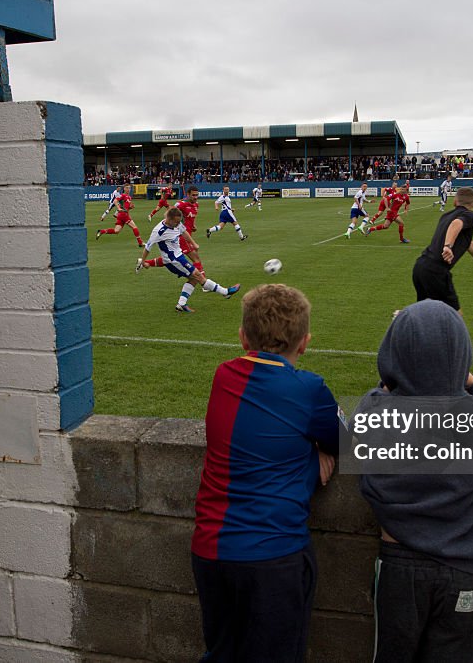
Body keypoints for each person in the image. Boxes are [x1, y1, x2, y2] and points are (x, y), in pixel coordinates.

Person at [191, 283, 340, 661]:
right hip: (274, 556)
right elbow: (343, 442)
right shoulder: (308, 388)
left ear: (243, 338)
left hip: (210, 552)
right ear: (304, 343)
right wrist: (313, 452)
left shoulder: (222, 375)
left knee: (222, 653)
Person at [359, 299, 473, 663]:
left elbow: (377, 401)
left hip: (398, 564)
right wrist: (470, 387)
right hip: (461, 567)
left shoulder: (376, 412)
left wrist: (400, 368)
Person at [412, 187, 473, 314]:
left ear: (455, 201)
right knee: (455, 316)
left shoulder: (445, 215)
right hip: (436, 271)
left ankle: (404, 320)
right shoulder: (470, 215)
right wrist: (448, 246)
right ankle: (401, 318)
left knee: (426, 315)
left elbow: (468, 244)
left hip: (420, 267)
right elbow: (456, 224)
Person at [137, 206, 239, 312]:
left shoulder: (176, 223)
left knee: (194, 279)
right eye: (176, 222)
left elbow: (184, 231)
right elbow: (148, 247)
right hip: (174, 261)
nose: (178, 224)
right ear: (169, 219)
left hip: (179, 257)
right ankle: (225, 292)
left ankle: (181, 304)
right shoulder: (159, 231)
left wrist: (193, 243)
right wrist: (143, 261)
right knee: (198, 276)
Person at [141, 186, 204, 272]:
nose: (195, 197)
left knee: (171, 258)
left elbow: (191, 217)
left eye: (197, 195)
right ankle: (203, 282)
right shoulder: (180, 204)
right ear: (188, 194)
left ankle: (145, 263)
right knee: (196, 260)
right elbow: (169, 213)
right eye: (193, 195)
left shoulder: (196, 205)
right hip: (182, 236)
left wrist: (193, 225)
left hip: (187, 234)